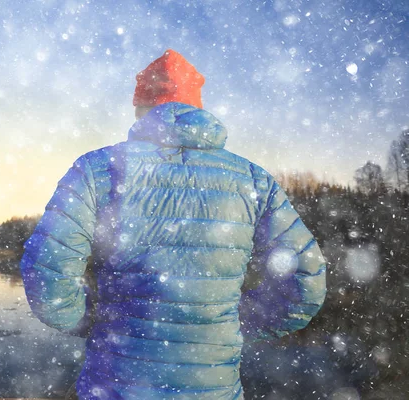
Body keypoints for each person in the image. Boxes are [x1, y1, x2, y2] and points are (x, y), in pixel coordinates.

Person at [20, 49, 327, 400]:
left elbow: (47, 274)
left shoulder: (97, 169)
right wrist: (232, 324)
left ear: (141, 108)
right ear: (197, 107)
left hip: (116, 387)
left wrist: (94, 318)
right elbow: (306, 282)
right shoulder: (253, 180)